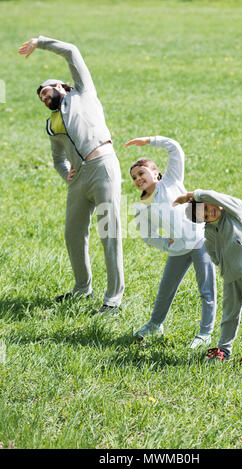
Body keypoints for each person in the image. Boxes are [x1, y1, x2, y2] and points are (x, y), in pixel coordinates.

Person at [19, 36, 124, 312]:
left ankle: (113, 299)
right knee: (73, 234)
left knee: (109, 233)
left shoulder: (83, 92)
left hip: (103, 167)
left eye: (45, 91)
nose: (44, 97)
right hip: (79, 179)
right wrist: (67, 173)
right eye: (40, 97)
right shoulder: (52, 124)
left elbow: (72, 51)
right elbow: (57, 158)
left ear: (59, 86)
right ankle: (82, 289)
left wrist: (39, 42)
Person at [126, 136, 216, 348]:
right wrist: (167, 244)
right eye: (134, 177)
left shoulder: (171, 181)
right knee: (166, 289)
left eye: (141, 173)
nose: (138, 178)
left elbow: (174, 149)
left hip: (200, 241)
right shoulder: (143, 206)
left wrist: (149, 141)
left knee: (206, 289)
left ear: (155, 172)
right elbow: (147, 234)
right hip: (177, 250)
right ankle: (155, 324)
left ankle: (205, 333)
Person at [173, 189, 242, 371]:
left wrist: (194, 195)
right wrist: (223, 264)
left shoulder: (235, 211)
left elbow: (215, 196)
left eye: (208, 207)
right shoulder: (209, 230)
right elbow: (212, 251)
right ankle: (224, 350)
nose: (210, 213)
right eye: (206, 216)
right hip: (230, 275)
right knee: (229, 314)